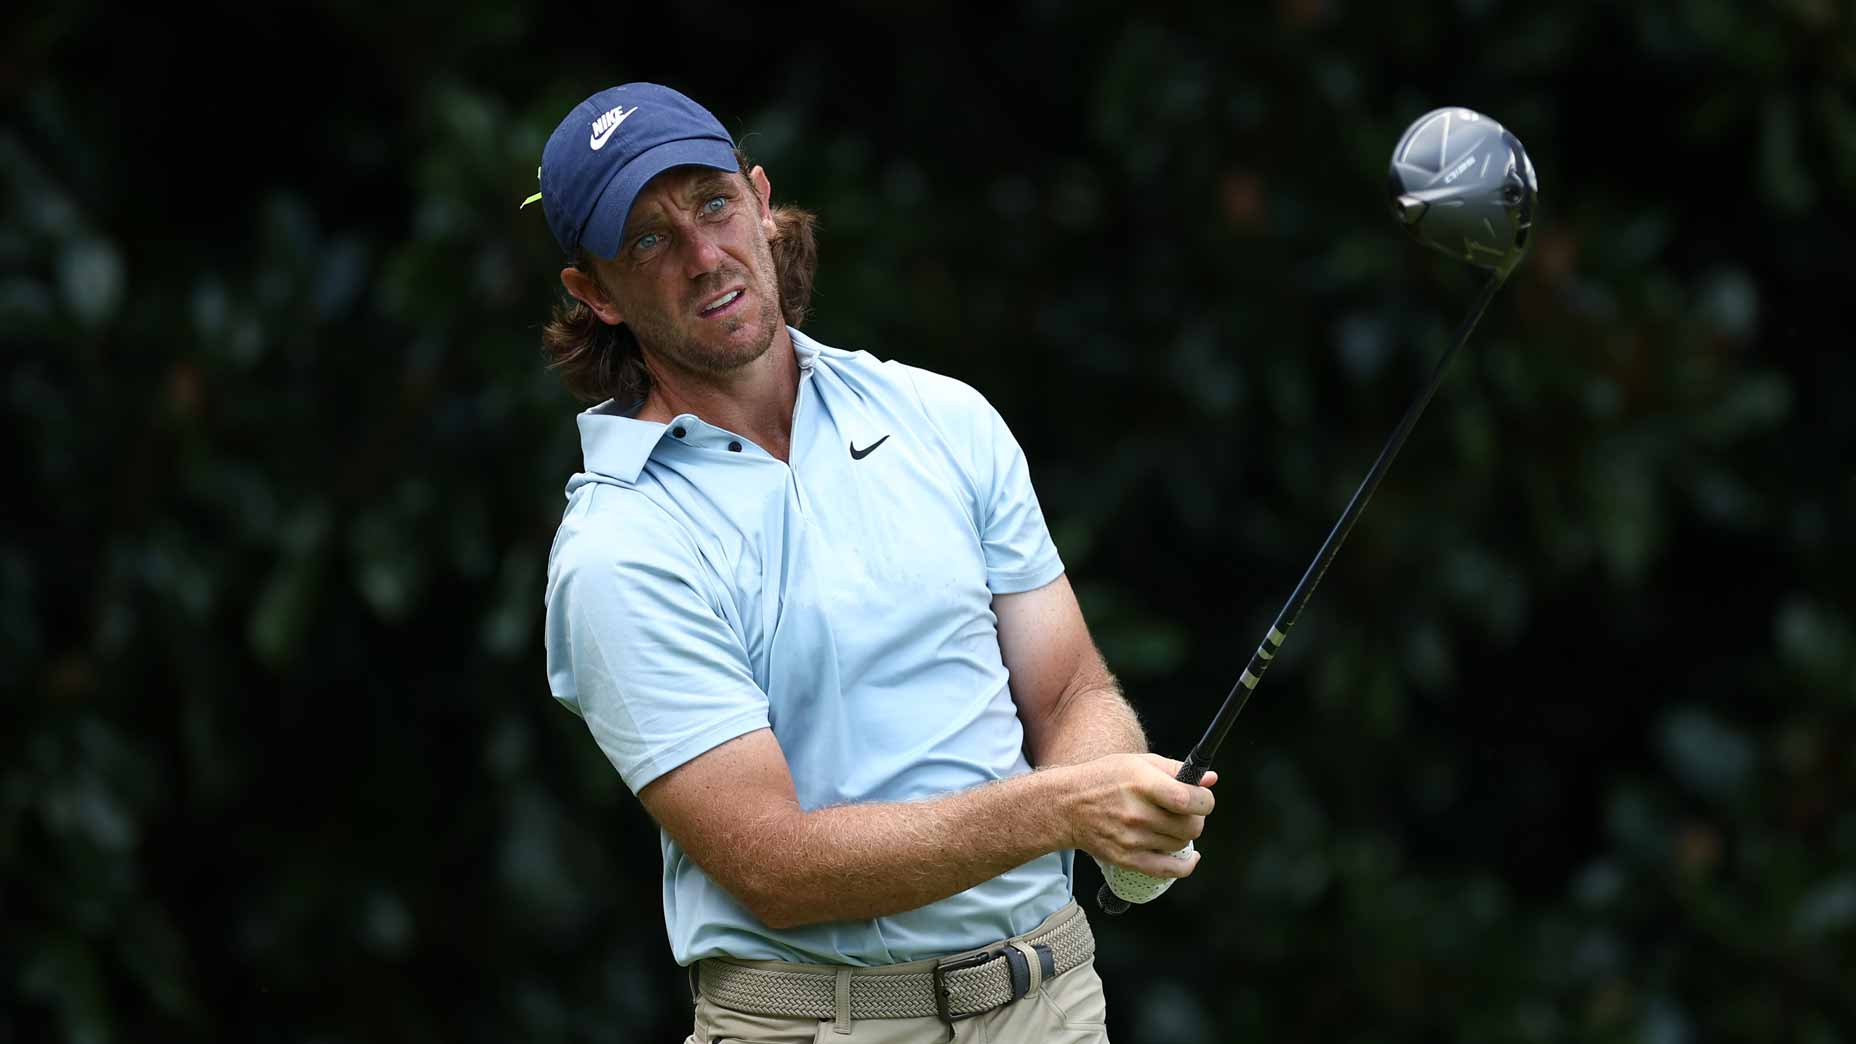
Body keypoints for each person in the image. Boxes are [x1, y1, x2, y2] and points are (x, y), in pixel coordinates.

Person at [528, 82, 1218, 1043]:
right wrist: (1070, 808)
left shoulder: (943, 417)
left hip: (1052, 1006)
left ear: (762, 202)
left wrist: (1125, 810)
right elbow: (779, 866)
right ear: (594, 294)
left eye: (715, 204)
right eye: (647, 240)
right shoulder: (618, 551)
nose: (702, 255)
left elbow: (1065, 697)